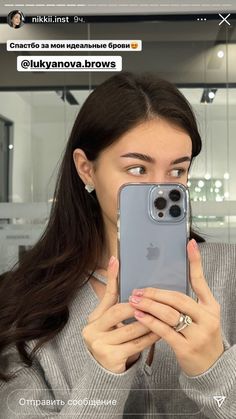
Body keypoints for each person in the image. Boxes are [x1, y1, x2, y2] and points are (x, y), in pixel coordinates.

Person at [0, 72, 235, 418]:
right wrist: (102, 379)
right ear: (86, 169)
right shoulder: (23, 303)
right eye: (138, 169)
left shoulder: (230, 275)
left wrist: (217, 371)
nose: (159, 189)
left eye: (177, 171)